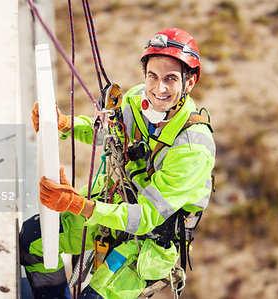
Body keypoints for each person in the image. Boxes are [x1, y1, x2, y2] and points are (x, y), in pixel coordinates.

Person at [20, 27, 215, 299]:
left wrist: (82, 206)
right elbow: (108, 132)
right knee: (32, 240)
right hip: (114, 207)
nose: (158, 88)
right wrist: (65, 125)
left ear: (190, 82)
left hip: (149, 243)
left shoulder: (193, 149)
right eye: (152, 76)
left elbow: (146, 217)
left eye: (170, 79)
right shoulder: (137, 101)